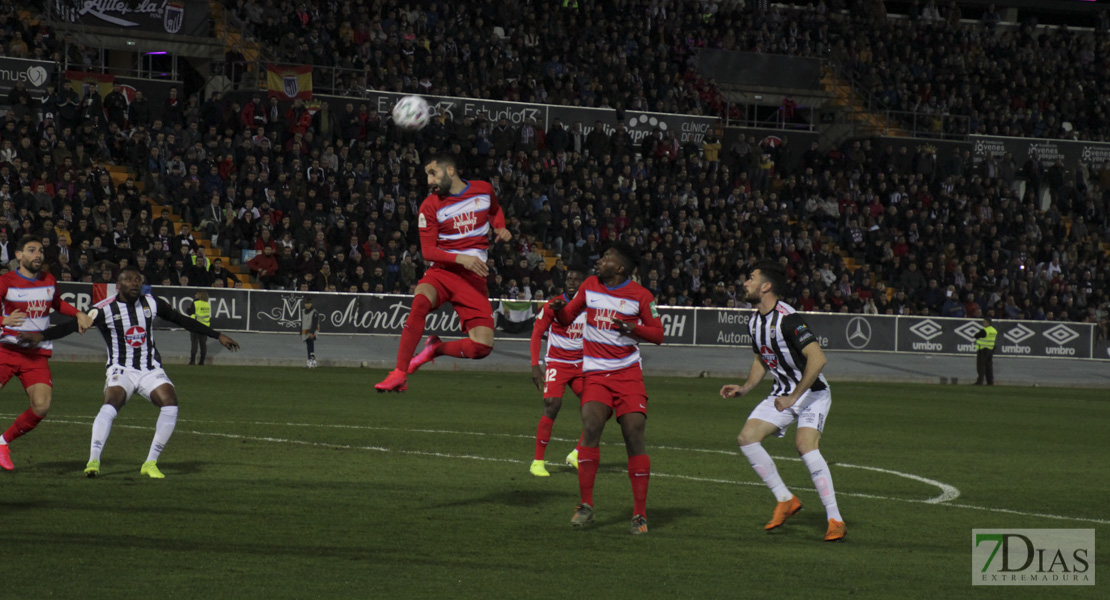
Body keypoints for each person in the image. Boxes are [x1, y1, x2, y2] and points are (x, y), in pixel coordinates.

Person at [22, 266, 240, 478]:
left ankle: (150, 463)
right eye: (129, 280)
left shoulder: (152, 303)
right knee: (111, 403)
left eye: (138, 280)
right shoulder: (104, 308)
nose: (134, 283)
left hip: (149, 368)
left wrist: (217, 335)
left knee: (170, 403)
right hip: (121, 368)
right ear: (118, 285)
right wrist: (41, 336)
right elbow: (70, 325)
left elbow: (181, 319)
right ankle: (93, 460)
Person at [720, 260, 846, 542]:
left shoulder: (789, 318)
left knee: (805, 446)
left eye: (751, 279)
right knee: (747, 437)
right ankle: (785, 500)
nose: (745, 283)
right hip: (783, 394)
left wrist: (793, 397)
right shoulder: (754, 320)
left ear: (766, 286)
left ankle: (835, 519)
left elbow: (818, 359)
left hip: (811, 393)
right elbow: (761, 358)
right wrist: (746, 387)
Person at [550, 243, 664, 534]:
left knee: (634, 434)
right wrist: (558, 310)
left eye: (607, 258)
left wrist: (631, 328)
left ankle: (639, 513)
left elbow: (658, 335)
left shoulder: (642, 296)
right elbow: (567, 318)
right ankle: (585, 505)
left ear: (621, 268)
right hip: (596, 373)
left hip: (628, 375)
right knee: (590, 425)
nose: (600, 261)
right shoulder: (589, 285)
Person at [375, 154, 511, 392]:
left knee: (482, 347)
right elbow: (428, 251)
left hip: (473, 280)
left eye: (432, 173)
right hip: (443, 272)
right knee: (420, 302)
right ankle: (399, 373)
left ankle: (434, 349)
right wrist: (462, 258)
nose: (429, 181)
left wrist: (501, 225)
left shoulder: (483, 189)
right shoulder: (430, 205)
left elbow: (495, 210)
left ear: (450, 170)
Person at [0, 235, 94, 470]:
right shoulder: (6, 281)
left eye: (40, 251)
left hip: (36, 354)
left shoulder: (49, 279)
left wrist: (78, 313)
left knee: (41, 406)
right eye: (31, 250)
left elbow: (57, 303)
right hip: (6, 351)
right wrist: (4, 319)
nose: (38, 255)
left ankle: (2, 443)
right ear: (19, 256)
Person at [528, 266, 586, 477]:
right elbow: (537, 333)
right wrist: (536, 366)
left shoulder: (590, 306)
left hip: (582, 365)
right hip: (558, 363)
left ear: (583, 283)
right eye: (569, 278)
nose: (571, 282)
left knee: (598, 408)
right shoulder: (553, 304)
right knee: (552, 404)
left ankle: (578, 454)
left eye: (576, 279)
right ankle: (537, 462)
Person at [187, 290, 211, 365]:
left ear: (200, 295)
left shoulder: (195, 302)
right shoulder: (207, 304)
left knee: (194, 343)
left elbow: (191, 312)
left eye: (196, 294)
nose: (195, 295)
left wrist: (188, 309)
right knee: (203, 344)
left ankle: (192, 360)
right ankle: (202, 361)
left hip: (196, 325)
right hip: (205, 326)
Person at [973, 316, 996, 385]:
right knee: (989, 366)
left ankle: (980, 381)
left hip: (983, 350)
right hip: (990, 350)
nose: (983, 323)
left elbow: (976, 336)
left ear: (988, 323)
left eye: (984, 322)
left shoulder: (984, 330)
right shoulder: (994, 330)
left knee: (981, 366)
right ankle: (990, 381)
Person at [302, 298, 321, 368]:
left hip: (311, 332)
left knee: (311, 347)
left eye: (308, 304)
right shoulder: (304, 311)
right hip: (306, 332)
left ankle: (312, 361)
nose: (307, 305)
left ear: (311, 304)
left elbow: (315, 323)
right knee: (309, 347)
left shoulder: (314, 312)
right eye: (306, 304)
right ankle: (310, 360)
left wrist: (311, 332)